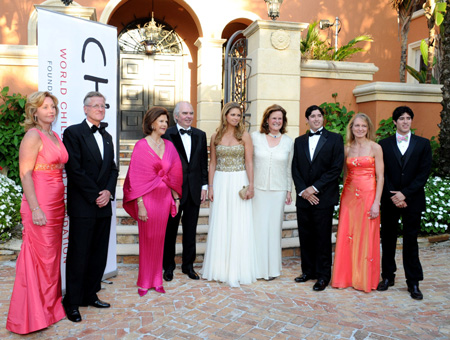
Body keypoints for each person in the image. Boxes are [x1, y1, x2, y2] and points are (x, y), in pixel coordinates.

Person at [6, 92, 68, 334]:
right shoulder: (33, 135)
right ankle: (31, 315)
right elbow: (25, 174)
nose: (50, 111)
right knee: (38, 258)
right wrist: (35, 208)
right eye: (45, 107)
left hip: (56, 203)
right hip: (39, 202)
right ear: (34, 112)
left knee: (51, 259)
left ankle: (50, 308)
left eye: (53, 106)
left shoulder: (54, 135)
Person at [62, 91, 119, 322]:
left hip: (103, 205)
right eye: (94, 105)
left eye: (102, 105)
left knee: (98, 253)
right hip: (84, 204)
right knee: (79, 254)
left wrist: (108, 192)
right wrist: (96, 194)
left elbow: (113, 169)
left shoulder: (107, 136)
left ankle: (90, 293)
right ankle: (72, 302)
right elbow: (74, 169)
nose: (99, 109)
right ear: (85, 109)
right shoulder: (73, 132)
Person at [123, 106, 183, 295]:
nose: (165, 124)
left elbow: (175, 173)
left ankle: (157, 280)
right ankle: (144, 281)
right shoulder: (142, 145)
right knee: (147, 239)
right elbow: (135, 177)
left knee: (160, 240)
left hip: (164, 199)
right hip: (147, 200)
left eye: (166, 121)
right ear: (151, 123)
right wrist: (139, 204)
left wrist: (176, 197)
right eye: (161, 121)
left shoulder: (170, 145)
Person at [377, 106, 432, 300]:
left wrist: (405, 194)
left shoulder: (423, 144)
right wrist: (394, 195)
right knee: (389, 239)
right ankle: (387, 277)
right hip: (390, 198)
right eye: (401, 118)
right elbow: (381, 173)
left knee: (411, 242)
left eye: (409, 118)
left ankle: (413, 282)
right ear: (394, 122)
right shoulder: (383, 144)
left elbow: (423, 174)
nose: (405, 121)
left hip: (413, 200)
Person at [201, 102, 257, 287]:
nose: (236, 118)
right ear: (225, 116)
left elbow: (249, 162)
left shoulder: (245, 136)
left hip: (239, 180)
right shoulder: (215, 136)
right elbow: (212, 163)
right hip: (220, 181)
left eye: (238, 115)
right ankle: (219, 268)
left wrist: (251, 185)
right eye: (233, 114)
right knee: (221, 222)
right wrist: (210, 186)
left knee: (238, 222)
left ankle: (238, 268)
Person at [292, 105, 344, 291]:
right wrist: (303, 191)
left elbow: (336, 169)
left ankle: (323, 276)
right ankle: (308, 271)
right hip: (303, 197)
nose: (316, 119)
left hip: (323, 197)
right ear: (307, 119)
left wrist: (314, 189)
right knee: (305, 235)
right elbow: (295, 168)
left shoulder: (335, 139)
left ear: (323, 118)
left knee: (322, 237)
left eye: (319, 116)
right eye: (312, 116)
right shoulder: (299, 141)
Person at [331, 113, 384, 293]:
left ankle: (364, 278)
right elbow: (345, 174)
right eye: (356, 126)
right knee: (348, 235)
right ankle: (345, 277)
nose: (360, 129)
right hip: (349, 197)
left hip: (369, 196)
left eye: (363, 126)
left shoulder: (376, 148)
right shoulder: (346, 149)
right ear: (351, 128)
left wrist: (377, 201)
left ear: (368, 128)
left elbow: (381, 176)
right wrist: (342, 196)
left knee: (366, 235)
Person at [162, 101, 208, 282]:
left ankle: (188, 266)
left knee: (191, 230)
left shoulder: (200, 135)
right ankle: (168, 266)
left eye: (191, 113)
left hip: (194, 190)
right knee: (170, 231)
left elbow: (203, 163)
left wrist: (204, 186)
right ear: (176, 116)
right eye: (185, 113)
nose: (189, 116)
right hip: (173, 191)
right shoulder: (166, 134)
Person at [251, 104, 293, 281]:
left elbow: (289, 167)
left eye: (280, 119)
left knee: (274, 229)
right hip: (258, 189)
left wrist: (289, 189)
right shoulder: (255, 137)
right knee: (258, 228)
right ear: (267, 120)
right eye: (274, 118)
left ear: (283, 122)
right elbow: (249, 163)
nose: (277, 121)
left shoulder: (289, 141)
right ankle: (257, 268)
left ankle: (272, 270)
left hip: (278, 189)